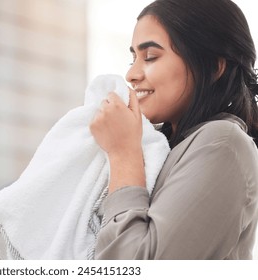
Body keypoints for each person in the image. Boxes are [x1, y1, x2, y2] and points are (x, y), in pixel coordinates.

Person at [90, 0, 258, 259]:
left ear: (214, 67)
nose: (131, 74)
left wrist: (123, 153)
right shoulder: (161, 145)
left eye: (150, 57)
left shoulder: (223, 143)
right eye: (133, 57)